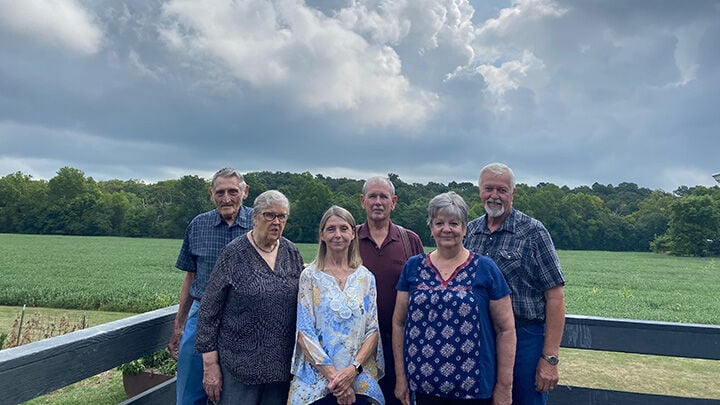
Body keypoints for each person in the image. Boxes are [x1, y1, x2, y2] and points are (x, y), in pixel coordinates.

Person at [392, 192, 516, 405]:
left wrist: (505, 386)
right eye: (439, 223)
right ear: (431, 228)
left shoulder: (485, 269)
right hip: (423, 386)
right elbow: (399, 323)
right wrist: (401, 377)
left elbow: (506, 329)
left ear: (465, 228)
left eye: (454, 223)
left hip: (473, 389)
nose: (446, 229)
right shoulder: (413, 267)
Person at [464, 163, 566, 405]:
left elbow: (556, 296)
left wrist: (550, 358)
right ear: (479, 191)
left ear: (513, 193)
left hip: (525, 338)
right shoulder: (470, 231)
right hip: (480, 338)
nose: (494, 196)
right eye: (489, 189)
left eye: (502, 190)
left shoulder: (533, 232)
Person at [195, 190, 304, 404]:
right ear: (255, 217)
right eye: (269, 215)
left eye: (282, 216)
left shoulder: (291, 252)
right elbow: (208, 311)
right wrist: (210, 366)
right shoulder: (234, 254)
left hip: (280, 369)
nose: (276, 222)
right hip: (238, 368)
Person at [169, 167, 253, 405]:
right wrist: (179, 325)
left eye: (233, 191)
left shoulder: (260, 223)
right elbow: (191, 277)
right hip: (201, 312)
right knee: (190, 391)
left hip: (243, 318)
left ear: (245, 192)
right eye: (220, 192)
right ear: (211, 194)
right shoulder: (198, 225)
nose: (226, 198)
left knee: (237, 392)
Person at [290, 205, 385, 405]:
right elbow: (304, 333)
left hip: (358, 378)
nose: (338, 235)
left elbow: (373, 330)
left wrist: (351, 372)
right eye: (331, 229)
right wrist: (335, 378)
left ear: (353, 234)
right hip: (317, 382)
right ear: (322, 235)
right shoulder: (310, 277)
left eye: (344, 228)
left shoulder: (365, 278)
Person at [357, 176, 424, 405]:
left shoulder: (409, 240)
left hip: (400, 345)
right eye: (372, 196)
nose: (378, 202)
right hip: (358, 347)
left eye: (383, 197)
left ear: (393, 202)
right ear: (362, 201)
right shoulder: (349, 238)